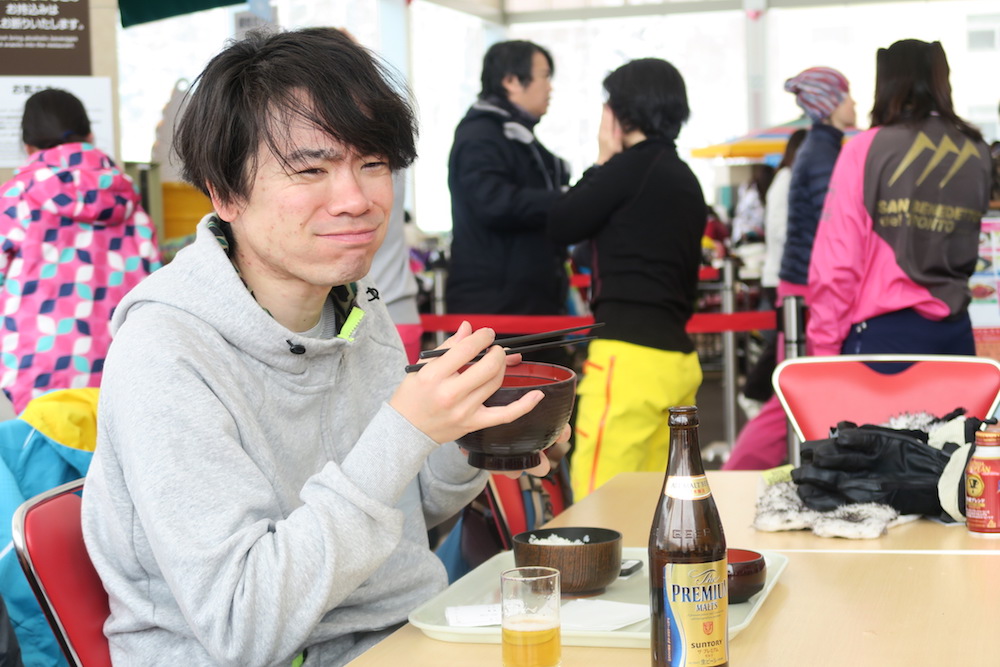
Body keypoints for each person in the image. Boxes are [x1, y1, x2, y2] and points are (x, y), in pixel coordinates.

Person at [81, 28, 564, 666]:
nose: (357, 200)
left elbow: (411, 510)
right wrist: (404, 429)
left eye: (373, 164)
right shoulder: (166, 352)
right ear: (226, 193)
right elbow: (242, 624)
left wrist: (471, 436)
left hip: (405, 637)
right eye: (311, 170)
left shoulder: (355, 306)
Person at [548, 58, 706, 500]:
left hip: (628, 360)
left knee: (600, 503)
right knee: (657, 503)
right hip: (677, 361)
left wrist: (601, 159)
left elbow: (561, 223)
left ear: (620, 112)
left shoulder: (627, 169)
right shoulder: (685, 178)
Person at [808, 39, 991, 357]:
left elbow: (837, 264)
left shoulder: (865, 149)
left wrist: (824, 347)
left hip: (883, 340)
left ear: (887, 83)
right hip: (956, 336)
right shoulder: (977, 150)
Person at [725, 66, 854, 470]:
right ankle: (735, 473)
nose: (854, 103)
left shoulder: (819, 149)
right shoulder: (823, 154)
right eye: (846, 95)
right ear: (830, 103)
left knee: (794, 395)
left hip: (801, 287)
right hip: (809, 289)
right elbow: (832, 229)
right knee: (790, 397)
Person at [0, 89, 161, 413]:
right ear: (90, 136)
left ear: (28, 146)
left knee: (49, 443)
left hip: (39, 361)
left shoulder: (17, 196)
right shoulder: (127, 198)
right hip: (123, 359)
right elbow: (155, 279)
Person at [446, 40, 571, 363]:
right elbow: (493, 202)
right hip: (499, 312)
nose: (550, 87)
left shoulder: (514, 133)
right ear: (511, 80)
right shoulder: (481, 135)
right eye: (544, 76)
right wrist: (564, 200)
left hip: (527, 303)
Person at [739, 127, 808, 417]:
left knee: (784, 341)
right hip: (781, 275)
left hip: (783, 273)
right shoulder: (786, 179)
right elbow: (780, 229)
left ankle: (757, 393)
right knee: (783, 342)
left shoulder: (788, 178)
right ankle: (753, 392)